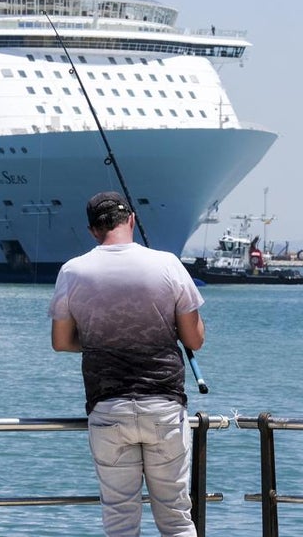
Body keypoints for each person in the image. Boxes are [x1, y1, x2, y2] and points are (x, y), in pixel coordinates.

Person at [49, 191, 205, 537]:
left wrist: (99, 341)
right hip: (164, 407)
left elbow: (61, 342)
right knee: (177, 520)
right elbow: (193, 340)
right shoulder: (167, 263)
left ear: (92, 230)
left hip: (108, 409)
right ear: (131, 220)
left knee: (120, 520)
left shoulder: (72, 271)